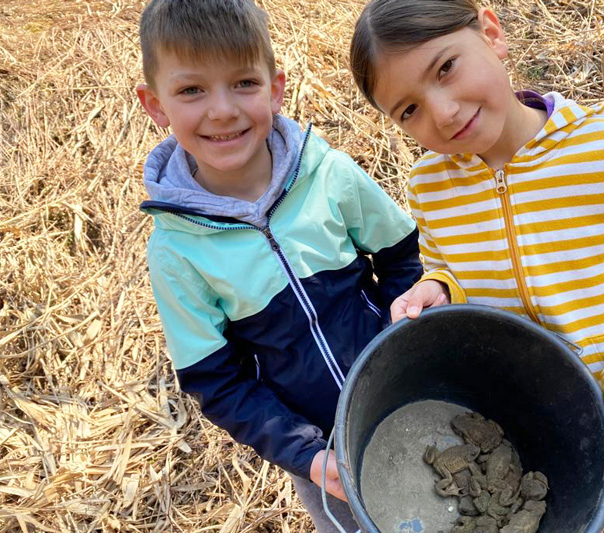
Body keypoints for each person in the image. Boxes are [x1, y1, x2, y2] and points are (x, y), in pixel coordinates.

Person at [349, 1, 604, 531]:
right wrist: (439, 288)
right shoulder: (430, 188)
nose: (444, 112)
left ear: (491, 32)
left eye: (445, 68)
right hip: (552, 436)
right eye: (408, 110)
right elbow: (446, 264)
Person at [135, 0, 422, 530]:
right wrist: (308, 456)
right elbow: (218, 383)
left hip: (415, 395)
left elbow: (404, 255)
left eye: (243, 82)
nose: (222, 110)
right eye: (192, 90)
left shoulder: (330, 176)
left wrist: (408, 340)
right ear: (155, 105)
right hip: (322, 452)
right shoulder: (176, 254)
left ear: (276, 87)